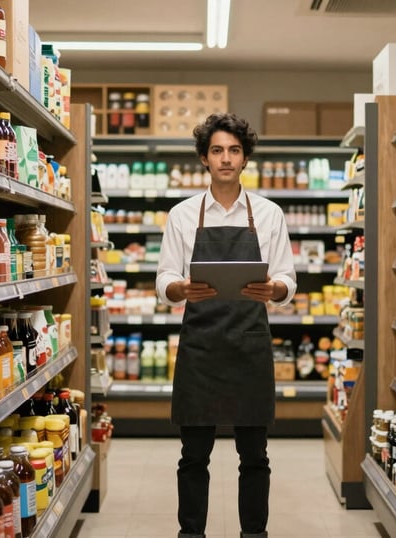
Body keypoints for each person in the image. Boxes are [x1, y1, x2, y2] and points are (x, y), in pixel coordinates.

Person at [156, 113, 297, 538]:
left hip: (249, 345)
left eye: (234, 150)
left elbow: (287, 278)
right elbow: (164, 278)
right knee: (193, 457)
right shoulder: (182, 215)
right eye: (217, 150)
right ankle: (191, 534)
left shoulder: (269, 214)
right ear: (204, 157)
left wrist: (274, 289)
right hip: (200, 348)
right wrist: (181, 288)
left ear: (245, 158)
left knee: (254, 457)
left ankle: (254, 534)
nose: (226, 158)